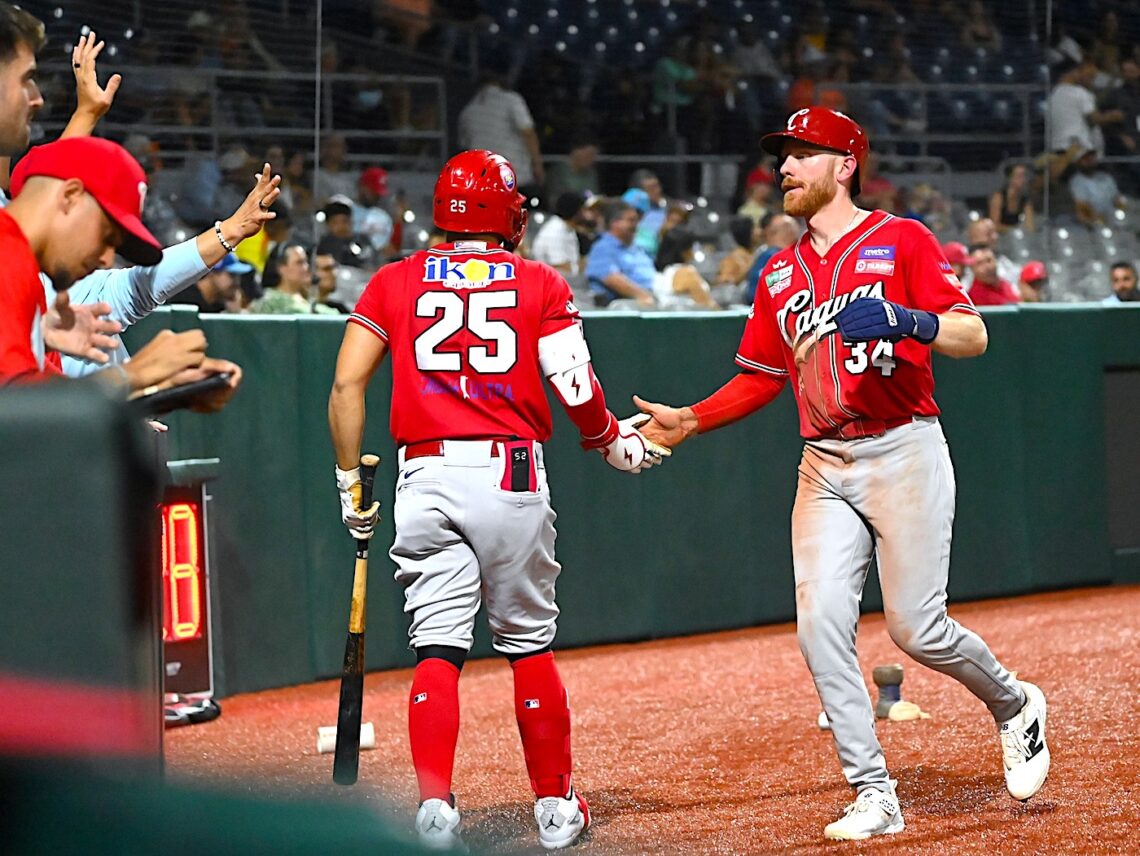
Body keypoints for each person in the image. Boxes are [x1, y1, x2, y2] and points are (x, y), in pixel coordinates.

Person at [632, 107, 1049, 841]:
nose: (784, 168)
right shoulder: (780, 271)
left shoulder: (901, 239)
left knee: (917, 629)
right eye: (783, 156)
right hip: (823, 462)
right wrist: (693, 419)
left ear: (844, 165)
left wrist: (906, 320)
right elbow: (762, 376)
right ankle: (873, 792)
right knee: (820, 624)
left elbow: (972, 334)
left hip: (903, 448)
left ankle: (1014, 703)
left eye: (801, 154)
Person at [327, 149, 668, 851]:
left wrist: (347, 482)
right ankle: (553, 807)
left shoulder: (393, 280)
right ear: (504, 214)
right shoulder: (537, 279)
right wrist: (613, 444)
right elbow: (575, 386)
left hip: (423, 472)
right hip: (509, 470)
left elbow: (345, 387)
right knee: (529, 645)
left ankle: (434, 810)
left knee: (438, 650)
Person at [0, 136, 240, 411]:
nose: (106, 259)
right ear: (70, 196)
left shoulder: (25, 274)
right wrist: (132, 376)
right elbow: (14, 420)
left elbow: (50, 417)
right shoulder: (7, 257)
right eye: (106, 235)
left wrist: (160, 390)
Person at [457, 59, 544, 197]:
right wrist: (537, 164)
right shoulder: (511, 100)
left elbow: (464, 147)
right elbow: (528, 132)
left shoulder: (468, 110)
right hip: (514, 176)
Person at [583, 201, 657, 307]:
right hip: (628, 306)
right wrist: (643, 295)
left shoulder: (636, 248)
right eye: (631, 221)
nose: (636, 225)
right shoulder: (602, 248)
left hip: (656, 295)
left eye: (636, 221)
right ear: (615, 223)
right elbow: (610, 277)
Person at [652, 227, 719, 308]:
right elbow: (707, 305)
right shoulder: (686, 273)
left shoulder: (659, 274)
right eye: (691, 247)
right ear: (683, 251)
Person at [170, 253, 252, 314]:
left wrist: (234, 314)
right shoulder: (182, 298)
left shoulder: (218, 305)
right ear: (213, 273)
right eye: (232, 275)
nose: (236, 283)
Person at [530, 191, 585, 274]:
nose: (584, 215)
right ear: (576, 213)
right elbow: (558, 267)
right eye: (582, 210)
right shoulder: (554, 231)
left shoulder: (568, 228)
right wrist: (583, 266)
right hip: (549, 282)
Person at [988, 163, 1036, 233]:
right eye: (1019, 176)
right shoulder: (998, 197)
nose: (1023, 180)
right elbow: (994, 225)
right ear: (1010, 178)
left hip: (1015, 239)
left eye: (1024, 176)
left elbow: (1030, 225)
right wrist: (1014, 229)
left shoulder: (1024, 200)